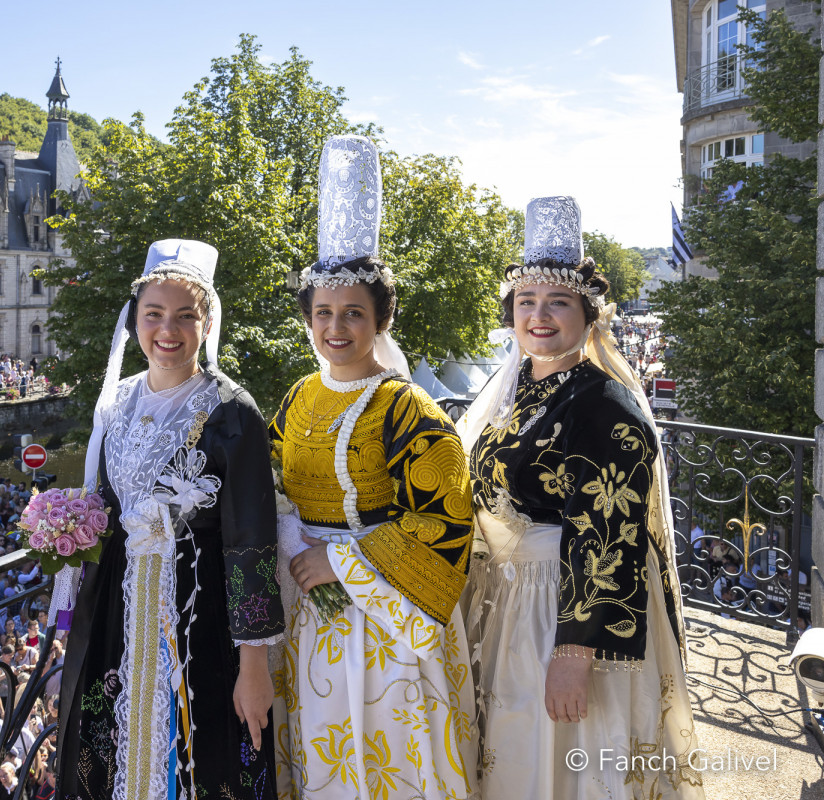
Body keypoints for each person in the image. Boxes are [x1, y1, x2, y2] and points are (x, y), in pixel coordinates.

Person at [457, 196, 704, 799]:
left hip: (561, 613)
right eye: (526, 302)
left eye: (557, 302)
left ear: (588, 316)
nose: (538, 316)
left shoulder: (601, 404)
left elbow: (610, 535)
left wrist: (573, 653)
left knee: (559, 754)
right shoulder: (517, 393)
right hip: (509, 603)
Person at [269, 135, 477, 799]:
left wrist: (343, 564)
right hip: (308, 610)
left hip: (384, 621)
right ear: (308, 319)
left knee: (389, 758)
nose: (336, 327)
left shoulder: (406, 406)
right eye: (323, 313)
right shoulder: (301, 395)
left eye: (353, 313)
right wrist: (293, 541)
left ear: (380, 318)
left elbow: (447, 513)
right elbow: (269, 482)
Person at [56, 239, 283, 800]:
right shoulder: (118, 401)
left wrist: (255, 665)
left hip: (199, 622)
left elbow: (251, 544)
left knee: (198, 759)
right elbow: (102, 506)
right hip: (116, 613)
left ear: (207, 323)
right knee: (110, 752)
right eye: (153, 314)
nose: (168, 330)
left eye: (186, 316)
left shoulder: (233, 413)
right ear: (135, 320)